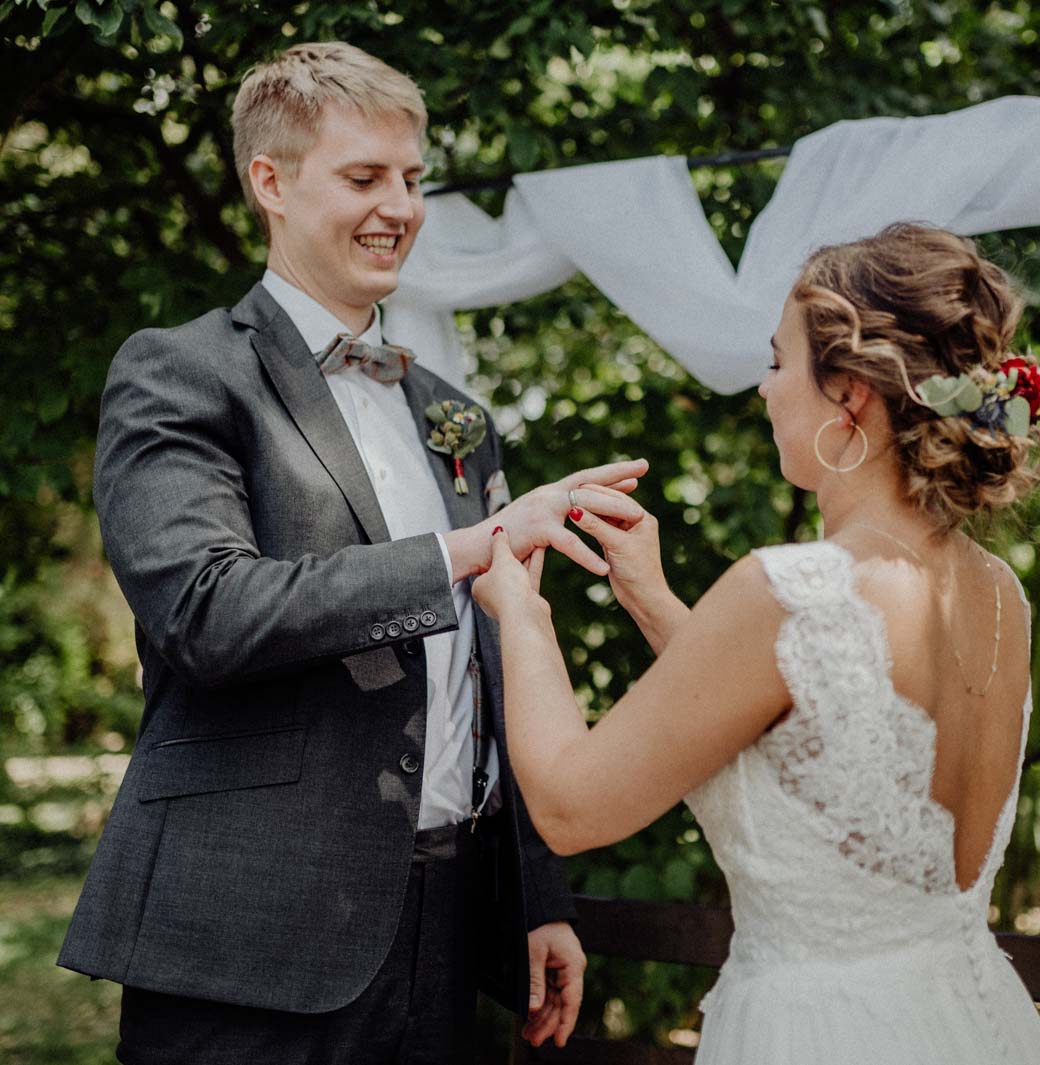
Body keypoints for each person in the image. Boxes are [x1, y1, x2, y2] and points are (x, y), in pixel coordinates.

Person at [56, 42, 648, 1063]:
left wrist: (534, 895)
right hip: (252, 935)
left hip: (448, 922)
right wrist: (470, 547)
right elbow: (207, 613)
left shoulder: (454, 415)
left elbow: (490, 660)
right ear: (270, 182)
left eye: (413, 180)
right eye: (365, 177)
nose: (401, 207)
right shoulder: (181, 372)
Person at [472, 222, 1040, 1062]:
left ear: (849, 391)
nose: (764, 387)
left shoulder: (794, 588)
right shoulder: (998, 594)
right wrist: (649, 595)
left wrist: (520, 615)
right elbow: (803, 742)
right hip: (965, 1017)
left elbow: (571, 806)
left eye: (779, 361)